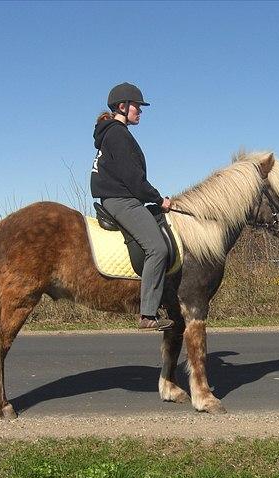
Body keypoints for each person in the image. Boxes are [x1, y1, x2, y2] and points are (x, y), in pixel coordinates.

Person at [90, 82, 174, 331]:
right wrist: (160, 200)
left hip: (118, 197)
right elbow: (134, 179)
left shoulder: (112, 133)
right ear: (122, 106)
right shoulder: (118, 134)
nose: (140, 110)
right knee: (158, 248)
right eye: (137, 105)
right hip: (122, 200)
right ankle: (148, 314)